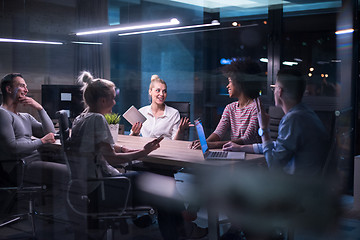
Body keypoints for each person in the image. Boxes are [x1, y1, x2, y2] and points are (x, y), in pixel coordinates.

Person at [69, 71, 205, 239]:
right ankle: (182, 231)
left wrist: (124, 149)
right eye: (112, 98)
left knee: (162, 185)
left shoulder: (81, 118)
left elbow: (101, 147)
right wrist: (143, 152)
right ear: (102, 100)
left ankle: (182, 228)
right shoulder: (98, 119)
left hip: (91, 187)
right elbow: (111, 157)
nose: (114, 102)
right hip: (106, 188)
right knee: (166, 189)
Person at [223, 68, 329, 176]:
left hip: (296, 186)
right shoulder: (304, 112)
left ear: (280, 91)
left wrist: (264, 129)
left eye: (274, 88)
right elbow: (278, 146)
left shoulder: (293, 119)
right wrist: (241, 148)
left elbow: (274, 166)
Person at [0, 73, 67, 186]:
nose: (26, 90)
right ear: (9, 89)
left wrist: (40, 108)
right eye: (22, 86)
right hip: (21, 166)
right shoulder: (3, 114)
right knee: (68, 173)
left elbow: (50, 132)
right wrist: (42, 141)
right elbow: (12, 147)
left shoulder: (25, 116)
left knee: (72, 167)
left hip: (34, 161)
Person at [190, 59, 262, 150]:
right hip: (234, 153)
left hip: (251, 156)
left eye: (230, 81)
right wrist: (205, 143)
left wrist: (213, 145)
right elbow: (219, 132)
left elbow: (246, 139)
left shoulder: (256, 108)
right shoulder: (230, 108)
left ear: (240, 83)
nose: (227, 86)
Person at [130, 74, 190, 140]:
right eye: (158, 90)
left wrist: (180, 131)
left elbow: (176, 142)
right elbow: (133, 139)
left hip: (166, 149)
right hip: (145, 148)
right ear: (150, 92)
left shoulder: (174, 113)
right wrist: (134, 133)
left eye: (164, 91)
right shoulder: (141, 112)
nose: (161, 94)